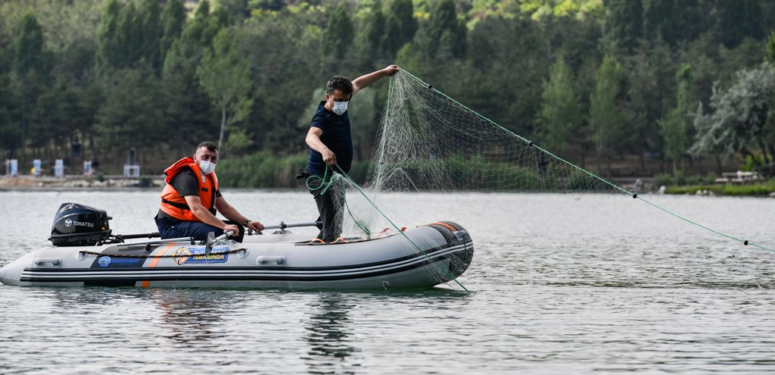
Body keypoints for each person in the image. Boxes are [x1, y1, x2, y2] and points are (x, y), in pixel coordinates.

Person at [305, 65, 400, 244]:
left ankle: (320, 240)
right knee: (331, 228)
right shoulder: (322, 117)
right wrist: (324, 149)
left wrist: (384, 72)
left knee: (336, 221)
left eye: (346, 100)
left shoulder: (343, 101)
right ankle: (326, 255)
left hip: (338, 175)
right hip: (320, 177)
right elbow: (311, 136)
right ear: (328, 97)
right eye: (338, 100)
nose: (342, 104)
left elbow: (358, 83)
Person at [155, 141, 264, 242]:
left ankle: (232, 256)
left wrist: (247, 222)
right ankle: (213, 257)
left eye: (213, 158)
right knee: (218, 231)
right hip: (172, 225)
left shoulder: (210, 178)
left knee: (238, 228)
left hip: (191, 222)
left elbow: (224, 208)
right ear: (195, 157)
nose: (209, 161)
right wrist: (224, 226)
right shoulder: (186, 176)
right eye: (205, 157)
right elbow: (196, 209)